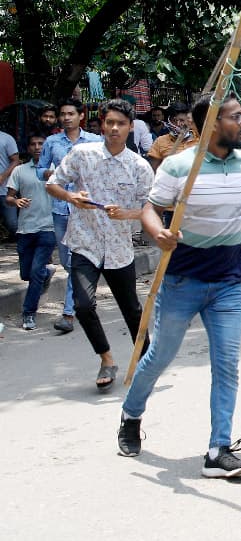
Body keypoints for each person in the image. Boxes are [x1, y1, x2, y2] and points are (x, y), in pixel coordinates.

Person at [117, 94, 241, 479]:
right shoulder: (178, 166)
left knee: (227, 365)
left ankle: (218, 449)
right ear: (210, 125)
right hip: (183, 279)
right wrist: (160, 235)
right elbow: (150, 210)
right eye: (236, 117)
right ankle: (131, 414)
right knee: (159, 357)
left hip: (226, 281)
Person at [45, 99, 152, 390]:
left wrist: (127, 214)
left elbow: (151, 208)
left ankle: (145, 360)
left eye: (120, 123)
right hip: (84, 243)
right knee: (82, 305)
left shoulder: (139, 166)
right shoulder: (82, 154)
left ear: (131, 128)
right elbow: (52, 183)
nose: (114, 128)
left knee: (132, 309)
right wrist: (70, 197)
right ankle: (106, 358)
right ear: (102, 124)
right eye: (109, 122)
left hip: (119, 249)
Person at [37, 97, 103, 333]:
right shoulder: (52, 142)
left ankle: (69, 313)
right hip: (61, 209)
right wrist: (52, 174)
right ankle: (83, 297)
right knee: (67, 261)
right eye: (62, 114)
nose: (66, 118)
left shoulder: (95, 141)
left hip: (87, 209)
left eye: (70, 114)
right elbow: (39, 170)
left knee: (77, 260)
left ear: (80, 116)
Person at [6, 131, 56, 330]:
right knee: (26, 274)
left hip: (48, 228)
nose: (37, 147)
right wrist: (16, 201)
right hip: (25, 229)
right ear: (28, 148)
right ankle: (47, 272)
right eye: (33, 144)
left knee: (35, 273)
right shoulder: (19, 171)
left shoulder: (55, 170)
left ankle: (28, 314)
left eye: (41, 143)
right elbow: (9, 197)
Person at [146, 102, 197, 171]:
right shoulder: (160, 141)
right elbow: (153, 171)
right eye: (174, 120)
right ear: (168, 121)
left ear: (189, 121)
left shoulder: (200, 139)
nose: (178, 124)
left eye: (182, 120)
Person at [0, 126, 20, 236]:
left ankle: (23, 243)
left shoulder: (6, 138)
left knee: (12, 224)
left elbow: (15, 160)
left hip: (4, 189)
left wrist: (3, 176)